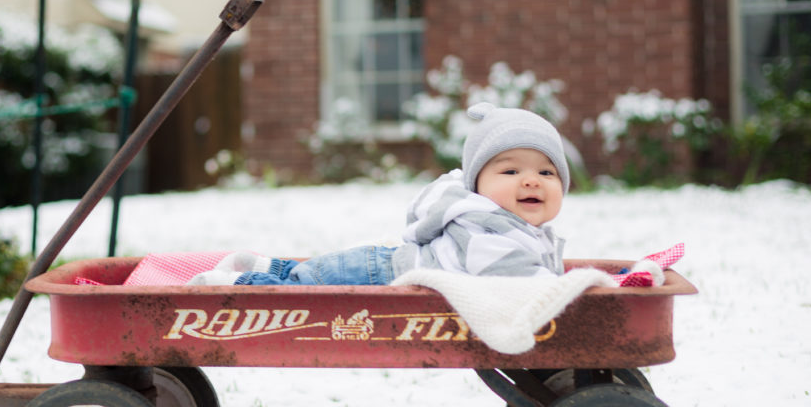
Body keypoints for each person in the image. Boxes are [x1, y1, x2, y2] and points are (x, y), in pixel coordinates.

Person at [189, 102, 570, 286]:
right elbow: (513, 277)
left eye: (547, 172)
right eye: (511, 170)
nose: (531, 180)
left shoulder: (509, 225)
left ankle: (258, 266)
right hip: (378, 276)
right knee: (300, 296)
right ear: (478, 185)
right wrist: (565, 289)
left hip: (382, 263)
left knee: (307, 277)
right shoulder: (483, 226)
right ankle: (232, 284)